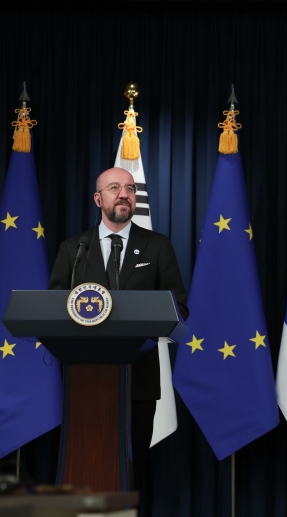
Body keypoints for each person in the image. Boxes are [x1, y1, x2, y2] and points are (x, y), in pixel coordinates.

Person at [48, 167, 188, 492]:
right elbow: (53, 309)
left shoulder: (156, 246)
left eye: (130, 188)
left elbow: (178, 308)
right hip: (84, 380)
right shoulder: (74, 250)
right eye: (114, 187)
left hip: (138, 381)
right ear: (99, 199)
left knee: (131, 469)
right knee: (82, 468)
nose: (124, 193)